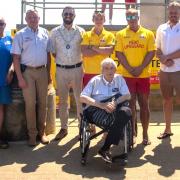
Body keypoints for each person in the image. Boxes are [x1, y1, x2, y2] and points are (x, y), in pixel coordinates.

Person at [115, 8, 156, 145]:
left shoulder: (148, 33)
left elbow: (151, 52)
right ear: (126, 19)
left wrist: (140, 68)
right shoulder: (121, 34)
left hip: (143, 75)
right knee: (130, 105)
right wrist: (130, 69)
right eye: (128, 17)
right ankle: (132, 133)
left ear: (138, 17)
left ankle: (145, 133)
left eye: (133, 17)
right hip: (128, 75)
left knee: (144, 104)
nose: (131, 20)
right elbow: (119, 53)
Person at [11, 9, 51, 146]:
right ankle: (32, 135)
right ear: (26, 19)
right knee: (30, 105)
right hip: (27, 73)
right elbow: (15, 57)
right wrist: (20, 78)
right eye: (30, 17)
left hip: (42, 71)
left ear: (39, 18)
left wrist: (49, 74)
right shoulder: (21, 34)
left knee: (43, 104)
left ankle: (42, 133)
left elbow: (48, 55)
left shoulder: (45, 33)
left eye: (35, 17)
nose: (33, 19)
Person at [80, 58, 131, 163]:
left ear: (115, 70)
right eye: (106, 68)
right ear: (102, 70)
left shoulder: (119, 79)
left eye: (112, 68)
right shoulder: (95, 80)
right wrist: (101, 105)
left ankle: (105, 148)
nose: (109, 71)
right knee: (117, 122)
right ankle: (110, 141)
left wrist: (115, 103)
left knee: (126, 112)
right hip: (97, 109)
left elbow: (127, 95)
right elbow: (82, 97)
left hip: (115, 107)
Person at [50, 6, 85, 141]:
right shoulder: (54, 32)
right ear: (62, 15)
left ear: (74, 16)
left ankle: (81, 127)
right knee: (63, 101)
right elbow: (53, 51)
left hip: (77, 68)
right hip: (61, 69)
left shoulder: (81, 31)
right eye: (66, 13)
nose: (68, 15)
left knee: (79, 99)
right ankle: (64, 128)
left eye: (71, 13)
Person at [156, 1, 180, 139]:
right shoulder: (161, 28)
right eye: (171, 12)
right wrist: (163, 59)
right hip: (164, 71)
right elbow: (157, 48)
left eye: (175, 13)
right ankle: (167, 129)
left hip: (179, 71)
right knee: (167, 100)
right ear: (168, 12)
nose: (173, 15)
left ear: (179, 13)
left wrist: (167, 57)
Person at [81, 10, 115, 87]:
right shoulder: (86, 35)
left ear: (104, 20)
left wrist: (92, 47)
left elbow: (109, 51)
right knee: (89, 97)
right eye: (96, 19)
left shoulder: (110, 35)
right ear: (93, 20)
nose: (99, 21)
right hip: (89, 72)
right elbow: (84, 52)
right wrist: (102, 50)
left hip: (105, 72)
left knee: (104, 97)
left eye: (101, 19)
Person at [0, 17, 13, 149]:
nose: (0, 26)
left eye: (2, 23)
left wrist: (11, 69)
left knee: (1, 109)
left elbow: (15, 58)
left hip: (4, 81)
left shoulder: (10, 39)